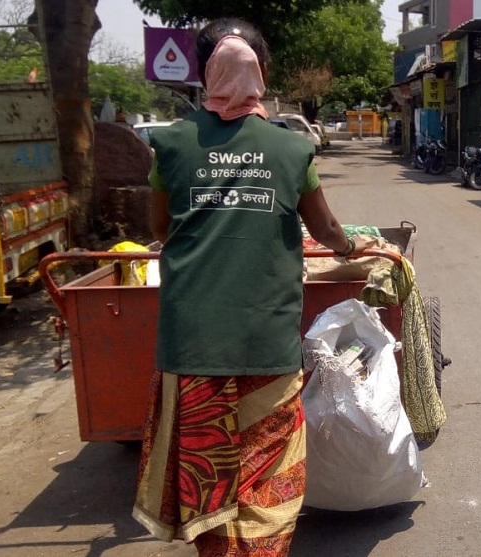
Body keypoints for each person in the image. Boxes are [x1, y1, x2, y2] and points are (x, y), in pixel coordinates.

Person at [132, 17, 361, 556]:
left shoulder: (170, 143)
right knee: (266, 470)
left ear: (204, 69)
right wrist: (353, 250)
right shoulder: (291, 150)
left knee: (207, 473)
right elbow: (326, 230)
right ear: (262, 70)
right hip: (267, 341)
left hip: (191, 345)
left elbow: (159, 230)